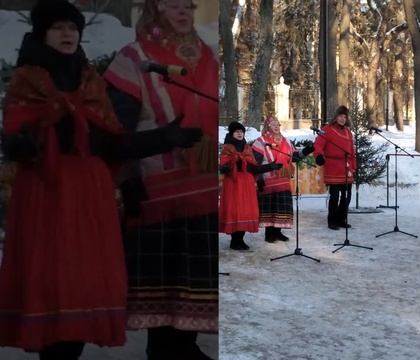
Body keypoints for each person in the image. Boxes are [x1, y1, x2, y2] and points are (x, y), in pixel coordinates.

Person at [0, 1, 201, 358]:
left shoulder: (90, 82)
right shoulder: (27, 79)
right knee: (52, 282)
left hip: (89, 197)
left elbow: (112, 143)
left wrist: (163, 138)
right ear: (43, 33)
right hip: (47, 195)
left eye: (73, 29)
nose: (67, 35)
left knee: (82, 283)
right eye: (59, 28)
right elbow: (17, 135)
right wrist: (29, 137)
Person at [103, 0, 219, 358]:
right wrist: (127, 175)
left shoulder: (208, 56)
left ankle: (185, 347)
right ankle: (165, 352)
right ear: (155, 10)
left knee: (194, 287)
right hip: (159, 194)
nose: (184, 12)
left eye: (188, 5)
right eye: (173, 5)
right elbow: (112, 131)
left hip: (204, 190)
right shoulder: (133, 58)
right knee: (162, 290)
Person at [219, 121, 282, 250]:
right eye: (237, 132)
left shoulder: (247, 148)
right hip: (234, 184)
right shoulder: (227, 148)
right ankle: (235, 240)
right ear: (232, 133)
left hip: (246, 185)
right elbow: (223, 167)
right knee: (235, 210)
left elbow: (254, 168)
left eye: (241, 132)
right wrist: (233, 161)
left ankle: (240, 239)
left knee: (246, 211)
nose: (240, 134)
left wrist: (271, 166)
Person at [251, 116, 314, 242]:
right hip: (267, 181)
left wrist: (307, 150)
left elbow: (294, 156)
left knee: (281, 208)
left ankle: (278, 232)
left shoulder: (286, 141)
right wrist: (258, 178)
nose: (276, 126)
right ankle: (269, 234)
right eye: (273, 124)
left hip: (283, 180)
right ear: (267, 126)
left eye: (278, 124)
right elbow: (255, 163)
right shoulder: (260, 141)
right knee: (270, 207)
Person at [313, 105, 357, 230]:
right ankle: (332, 221)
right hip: (333, 167)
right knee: (335, 196)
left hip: (346, 168)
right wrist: (319, 155)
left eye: (344, 116)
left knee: (347, 196)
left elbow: (352, 152)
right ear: (336, 117)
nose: (342, 119)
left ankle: (341, 219)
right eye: (340, 116)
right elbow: (318, 144)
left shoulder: (348, 132)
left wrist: (354, 167)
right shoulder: (327, 129)